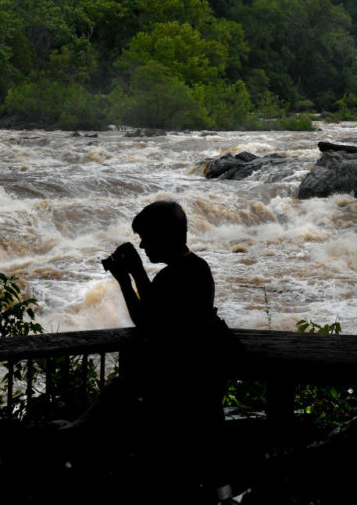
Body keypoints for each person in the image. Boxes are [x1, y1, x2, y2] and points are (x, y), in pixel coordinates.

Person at [102, 200, 235, 502]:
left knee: (190, 466)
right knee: (209, 460)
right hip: (199, 384)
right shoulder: (195, 268)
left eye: (146, 236)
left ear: (168, 234)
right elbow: (154, 312)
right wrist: (130, 276)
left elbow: (148, 320)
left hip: (184, 388)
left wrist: (129, 275)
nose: (144, 244)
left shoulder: (181, 274)